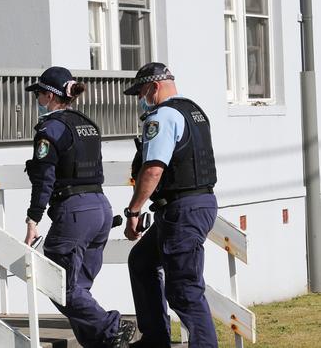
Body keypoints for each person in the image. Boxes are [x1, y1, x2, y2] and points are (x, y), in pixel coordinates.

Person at [23, 66, 136, 348]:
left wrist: (32, 220)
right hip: (100, 208)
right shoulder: (88, 124)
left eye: (39, 94)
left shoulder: (50, 129)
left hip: (75, 211)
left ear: (50, 96)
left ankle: (111, 328)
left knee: (58, 283)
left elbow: (45, 179)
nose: (37, 100)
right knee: (78, 289)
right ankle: (101, 343)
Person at [122, 62, 218, 348]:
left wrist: (134, 210)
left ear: (153, 87)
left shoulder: (162, 118)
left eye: (141, 91)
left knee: (184, 290)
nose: (141, 98)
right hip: (196, 203)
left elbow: (153, 169)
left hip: (182, 209)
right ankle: (155, 339)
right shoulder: (194, 112)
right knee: (141, 262)